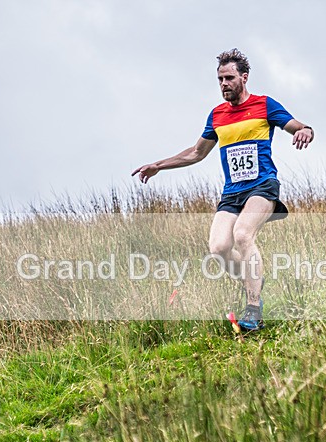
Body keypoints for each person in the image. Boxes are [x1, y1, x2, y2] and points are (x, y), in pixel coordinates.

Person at [132, 48, 314, 331]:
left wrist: (305, 131)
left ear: (244, 77)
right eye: (219, 79)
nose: (223, 84)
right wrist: (158, 165)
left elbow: (298, 126)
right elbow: (195, 153)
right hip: (232, 192)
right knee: (218, 247)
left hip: (263, 185)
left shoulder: (264, 105)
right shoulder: (217, 115)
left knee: (243, 234)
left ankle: (254, 309)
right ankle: (252, 279)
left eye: (229, 78)